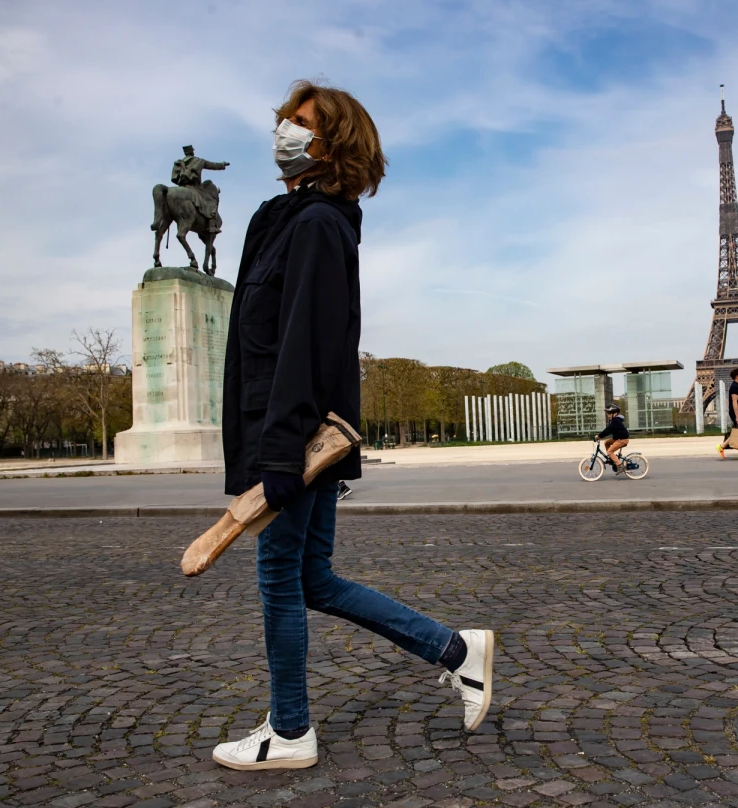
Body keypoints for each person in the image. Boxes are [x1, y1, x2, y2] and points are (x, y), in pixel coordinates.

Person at [212, 80, 494, 771]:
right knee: (312, 578)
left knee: (281, 581)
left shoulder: (314, 225)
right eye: (285, 119)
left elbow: (303, 346)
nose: (284, 130)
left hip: (293, 440)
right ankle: (456, 650)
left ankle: (290, 731)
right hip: (294, 433)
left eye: (300, 123)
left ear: (331, 144)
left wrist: (276, 459)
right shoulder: (287, 218)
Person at [170, 145, 228, 233]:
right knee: (211, 203)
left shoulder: (178, 163)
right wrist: (222, 164)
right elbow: (212, 165)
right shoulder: (198, 161)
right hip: (194, 187)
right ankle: (212, 226)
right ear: (192, 152)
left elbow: (174, 178)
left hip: (181, 186)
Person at [595, 404, 630, 474]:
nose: (608, 415)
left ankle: (620, 466)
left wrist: (599, 436)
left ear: (615, 413)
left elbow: (608, 430)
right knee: (606, 443)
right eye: (607, 413)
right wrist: (600, 436)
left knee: (610, 451)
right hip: (618, 439)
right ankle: (611, 458)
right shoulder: (613, 420)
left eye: (610, 413)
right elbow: (608, 430)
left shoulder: (616, 421)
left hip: (622, 440)